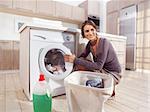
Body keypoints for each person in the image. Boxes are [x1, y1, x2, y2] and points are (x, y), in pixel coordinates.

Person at [64, 20, 122, 99]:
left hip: (113, 73)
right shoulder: (89, 44)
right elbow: (82, 56)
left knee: (92, 85)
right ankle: (105, 86)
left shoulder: (104, 42)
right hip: (103, 71)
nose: (90, 33)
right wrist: (72, 59)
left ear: (95, 30)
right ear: (84, 34)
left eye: (92, 30)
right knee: (80, 64)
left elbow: (98, 66)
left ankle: (109, 87)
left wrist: (75, 60)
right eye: (87, 31)